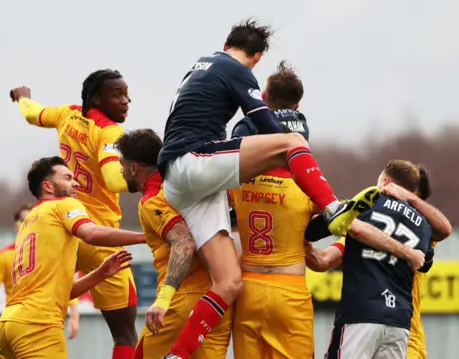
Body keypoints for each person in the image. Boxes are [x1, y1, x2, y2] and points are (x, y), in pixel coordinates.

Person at [156, 19, 376, 359]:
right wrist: (293, 154)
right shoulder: (236, 69)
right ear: (257, 57)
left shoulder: (199, 67)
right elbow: (265, 126)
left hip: (180, 181)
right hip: (194, 162)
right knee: (291, 141)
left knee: (229, 282)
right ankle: (334, 208)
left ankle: (178, 354)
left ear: (226, 41)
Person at [9, 69, 139, 359]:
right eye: (117, 95)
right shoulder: (111, 133)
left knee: (37, 303)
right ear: (96, 98)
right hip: (98, 236)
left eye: (126, 94)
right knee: (125, 335)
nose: (126, 101)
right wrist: (147, 174)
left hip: (60, 230)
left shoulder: (67, 114)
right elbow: (116, 180)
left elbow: (33, 114)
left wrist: (22, 98)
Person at [0, 156, 145, 359]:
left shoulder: (29, 221)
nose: (75, 183)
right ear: (48, 186)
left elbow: (61, 292)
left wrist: (100, 274)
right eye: (67, 177)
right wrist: (145, 237)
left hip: (10, 324)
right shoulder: (63, 205)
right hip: (38, 326)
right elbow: (90, 233)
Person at [306, 162, 452, 359]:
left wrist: (295, 236)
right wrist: (407, 252)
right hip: (403, 329)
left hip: (362, 315)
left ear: (386, 182)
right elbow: (444, 230)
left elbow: (325, 255)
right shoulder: (423, 228)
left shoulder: (362, 210)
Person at [115, 129, 232, 359]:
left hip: (182, 301)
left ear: (133, 168)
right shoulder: (189, 187)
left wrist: (163, 300)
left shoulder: (153, 200)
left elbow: (184, 243)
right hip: (218, 302)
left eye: (122, 164)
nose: (120, 171)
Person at [229, 61, 318, 359]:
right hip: (289, 288)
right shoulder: (306, 191)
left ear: (263, 96)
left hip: (248, 285)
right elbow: (334, 220)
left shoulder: (237, 189)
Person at [0, 206, 82, 359]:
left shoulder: (48, 251)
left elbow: (66, 283)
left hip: (32, 324)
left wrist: (75, 315)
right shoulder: (5, 255)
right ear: (16, 225)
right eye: (23, 220)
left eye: (30, 220)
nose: (27, 224)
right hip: (22, 322)